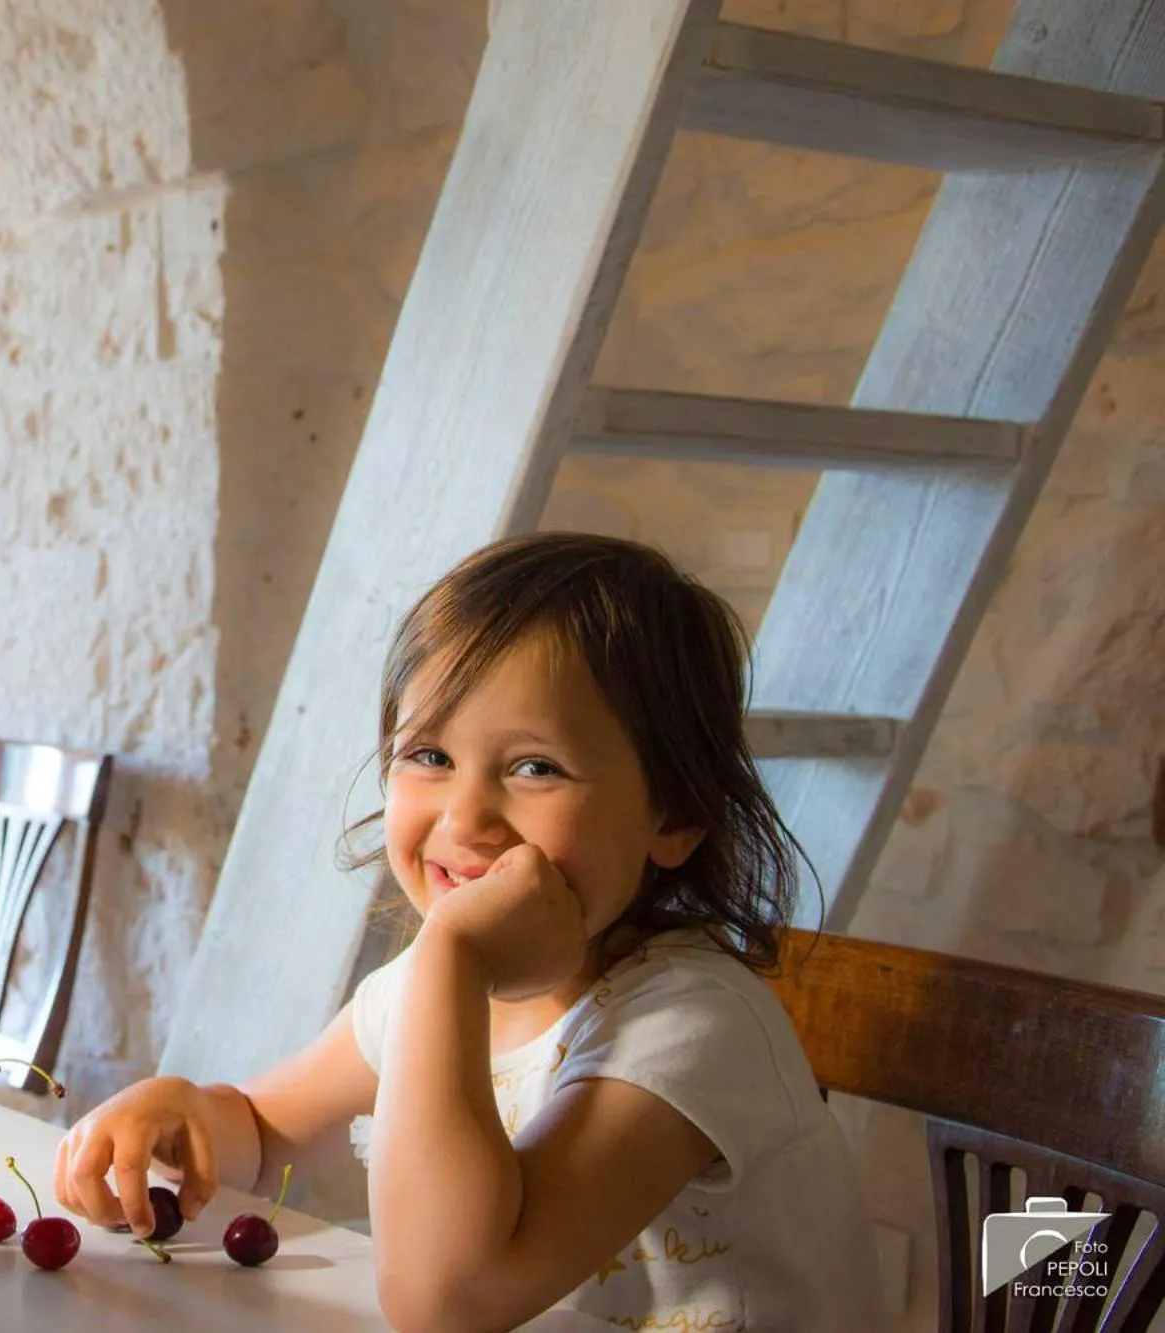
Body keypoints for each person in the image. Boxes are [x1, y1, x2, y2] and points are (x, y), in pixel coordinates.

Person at [53, 532, 890, 1331]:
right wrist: (186, 1111)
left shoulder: (691, 1026)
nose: (465, 816)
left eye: (535, 767)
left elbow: (448, 1300)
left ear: (675, 816)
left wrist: (454, 958)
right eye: (428, 755)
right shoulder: (425, 984)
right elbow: (267, 1133)